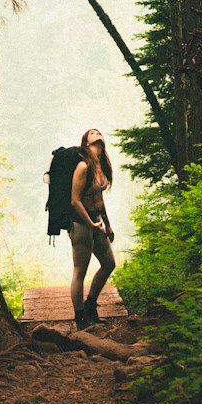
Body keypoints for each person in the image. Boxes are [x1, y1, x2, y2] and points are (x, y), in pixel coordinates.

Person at [69, 127, 115, 329]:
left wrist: (108, 224)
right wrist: (90, 223)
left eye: (98, 132)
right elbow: (75, 201)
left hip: (96, 221)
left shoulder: (101, 166)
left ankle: (90, 305)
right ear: (86, 143)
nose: (96, 133)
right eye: (92, 133)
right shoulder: (83, 166)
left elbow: (99, 197)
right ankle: (80, 319)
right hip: (80, 224)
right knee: (80, 271)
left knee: (109, 264)